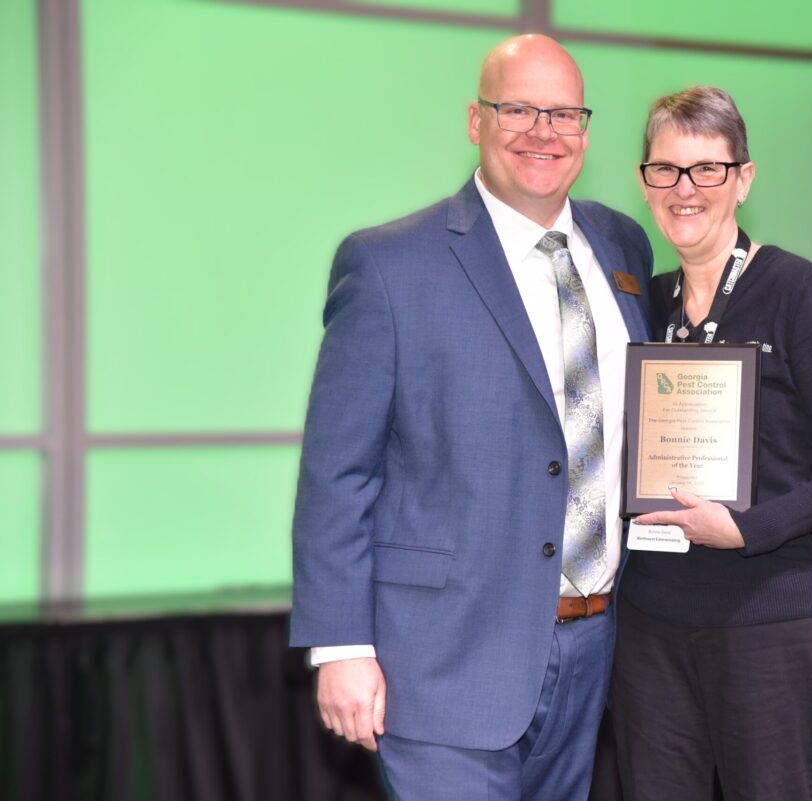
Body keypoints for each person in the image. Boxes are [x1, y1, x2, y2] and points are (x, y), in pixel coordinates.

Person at [289, 34, 652, 800]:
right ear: (475, 119)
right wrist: (340, 644)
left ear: (586, 130)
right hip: (441, 661)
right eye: (517, 109)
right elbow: (338, 470)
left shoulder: (623, 245)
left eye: (563, 114)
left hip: (593, 650)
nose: (543, 132)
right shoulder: (388, 264)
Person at [610, 86, 812, 801]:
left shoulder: (798, 293)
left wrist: (747, 528)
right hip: (650, 622)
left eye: (707, 168)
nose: (685, 189)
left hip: (770, 619)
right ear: (644, 181)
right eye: (665, 169)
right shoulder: (642, 303)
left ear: (743, 179)